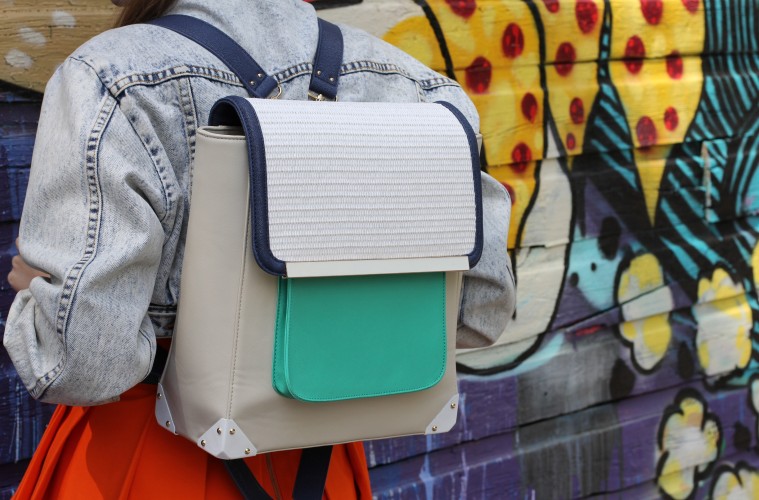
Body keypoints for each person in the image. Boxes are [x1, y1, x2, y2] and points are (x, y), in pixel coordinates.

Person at [4, 0, 516, 498]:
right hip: (322, 453)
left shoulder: (115, 74)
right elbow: (479, 312)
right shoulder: (419, 87)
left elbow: (84, 365)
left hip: (155, 449)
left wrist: (46, 298)